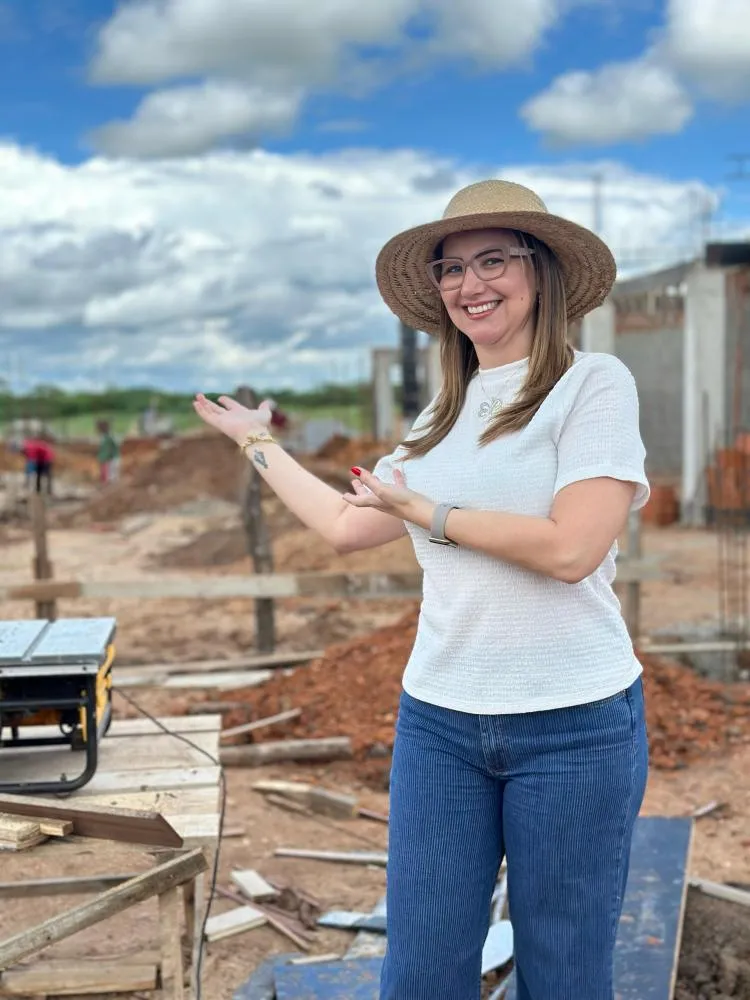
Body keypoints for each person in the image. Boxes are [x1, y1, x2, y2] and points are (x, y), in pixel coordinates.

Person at [193, 179, 650, 1000]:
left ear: (540, 272)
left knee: (566, 973)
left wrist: (431, 513)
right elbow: (344, 524)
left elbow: (573, 548)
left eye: (493, 261)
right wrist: (256, 440)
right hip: (440, 724)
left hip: (574, 723)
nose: (470, 284)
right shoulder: (444, 413)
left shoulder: (594, 386)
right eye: (451, 269)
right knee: (423, 972)